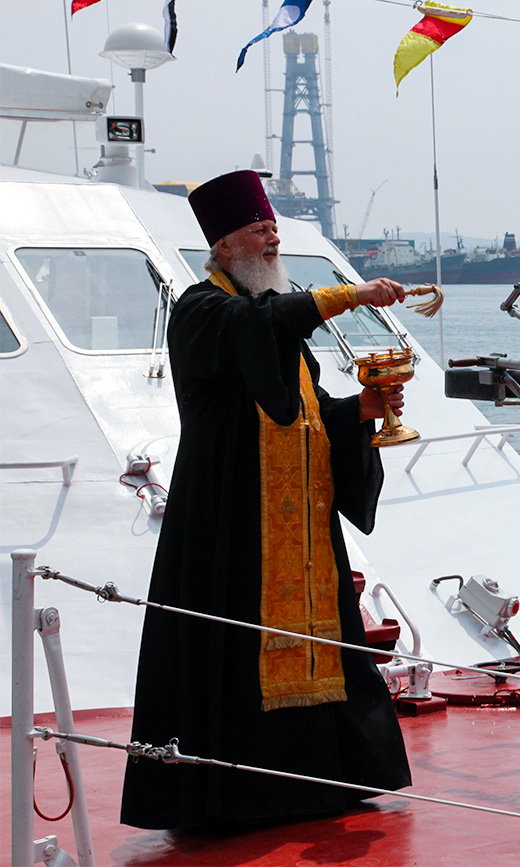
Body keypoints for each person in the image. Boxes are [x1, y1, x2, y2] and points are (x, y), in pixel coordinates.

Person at [121, 170, 412, 830]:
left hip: (300, 529)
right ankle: (236, 794)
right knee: (234, 647)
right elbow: (263, 320)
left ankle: (323, 781)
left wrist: (362, 409)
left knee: (323, 639)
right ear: (225, 247)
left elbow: (303, 410)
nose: (272, 237)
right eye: (261, 230)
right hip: (229, 524)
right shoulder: (203, 310)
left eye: (274, 228)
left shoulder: (275, 328)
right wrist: (353, 293)